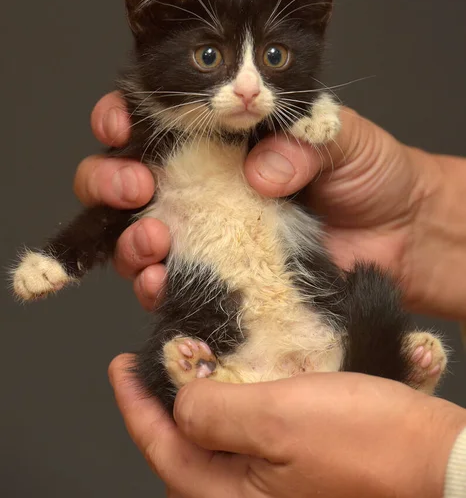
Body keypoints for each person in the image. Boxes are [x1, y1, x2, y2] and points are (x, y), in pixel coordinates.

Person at [74, 91, 466, 497]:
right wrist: (417, 216)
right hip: (291, 350)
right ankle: (377, 381)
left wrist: (429, 458)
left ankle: (235, 383)